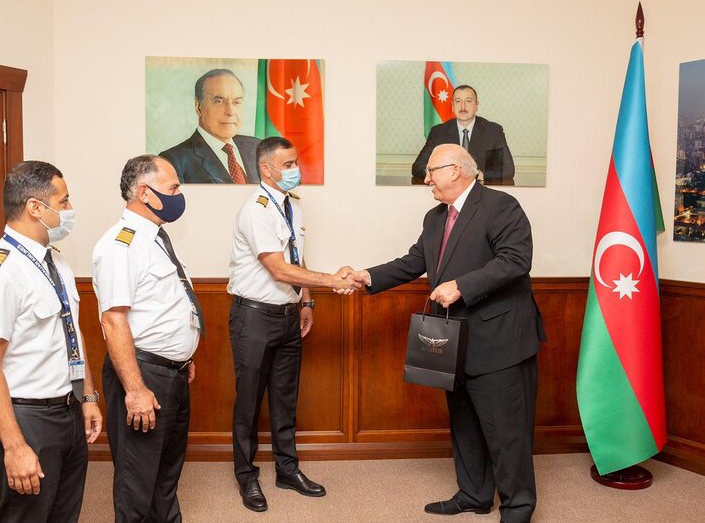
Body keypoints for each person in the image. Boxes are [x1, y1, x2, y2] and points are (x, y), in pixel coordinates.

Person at [344, 144, 545, 522]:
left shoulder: (501, 206)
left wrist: (461, 286)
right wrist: (368, 277)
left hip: (500, 340)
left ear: (456, 170)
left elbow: (516, 261)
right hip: (454, 342)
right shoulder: (435, 218)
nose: (426, 178)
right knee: (465, 424)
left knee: (506, 432)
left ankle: (518, 507)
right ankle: (473, 494)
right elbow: (415, 261)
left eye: (432, 171)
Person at [0, 160, 102, 522]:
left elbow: (72, 334)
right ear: (36, 208)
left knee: (63, 513)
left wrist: (87, 397)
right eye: (65, 201)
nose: (70, 210)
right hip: (25, 418)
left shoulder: (56, 263)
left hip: (67, 409)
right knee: (27, 515)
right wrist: (14, 445)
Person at [227, 136, 362, 512]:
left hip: (288, 315)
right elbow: (277, 267)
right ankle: (247, 477)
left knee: (286, 400)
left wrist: (307, 301)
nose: (295, 170)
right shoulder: (255, 209)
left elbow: (297, 260)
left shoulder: (293, 206)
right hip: (253, 316)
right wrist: (334, 281)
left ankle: (288, 469)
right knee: (249, 402)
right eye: (287, 165)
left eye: (295, 162)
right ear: (266, 170)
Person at [92, 155, 201, 522]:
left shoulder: (155, 237)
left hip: (171, 374)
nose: (178, 195)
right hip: (143, 376)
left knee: (166, 473)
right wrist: (135, 390)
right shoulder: (120, 245)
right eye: (172, 188)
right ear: (144, 192)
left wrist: (183, 356)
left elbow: (165, 306)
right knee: (137, 481)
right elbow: (114, 320)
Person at [159, 68, 261, 184]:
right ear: (198, 107)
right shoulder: (174, 161)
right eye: (219, 101)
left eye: (236, 102)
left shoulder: (259, 148)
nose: (230, 111)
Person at [411, 85, 515, 185]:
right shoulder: (438, 132)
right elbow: (417, 167)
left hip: (480, 192)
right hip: (448, 191)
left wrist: (480, 174)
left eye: (468, 101)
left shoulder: (493, 131)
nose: (463, 106)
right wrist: (443, 173)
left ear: (476, 105)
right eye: (458, 101)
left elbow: (508, 169)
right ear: (452, 106)